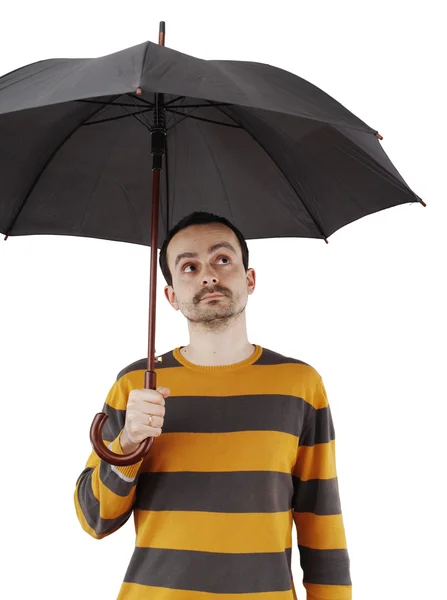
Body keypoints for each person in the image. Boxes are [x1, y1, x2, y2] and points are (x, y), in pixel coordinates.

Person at [74, 211, 352, 600]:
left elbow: (321, 520)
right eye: (188, 266)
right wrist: (128, 443)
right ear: (171, 296)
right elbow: (95, 519)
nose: (208, 275)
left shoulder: (300, 384)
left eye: (223, 259)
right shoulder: (136, 386)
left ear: (249, 279)